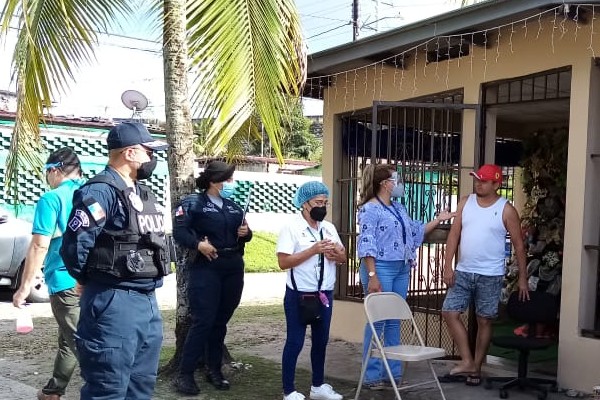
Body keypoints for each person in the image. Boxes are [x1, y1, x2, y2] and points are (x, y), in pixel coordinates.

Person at [60, 122, 171, 399]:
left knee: (141, 386)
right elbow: (74, 245)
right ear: (130, 153)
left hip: (147, 300)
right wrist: (88, 279)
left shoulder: (141, 192)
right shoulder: (100, 192)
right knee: (108, 388)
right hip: (113, 300)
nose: (152, 159)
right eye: (148, 152)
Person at [357, 163, 454, 390]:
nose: (399, 183)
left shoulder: (399, 208)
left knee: (394, 320)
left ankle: (392, 374)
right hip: (380, 267)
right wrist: (372, 275)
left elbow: (415, 231)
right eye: (395, 179)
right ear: (384, 184)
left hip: (401, 268)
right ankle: (371, 376)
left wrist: (439, 219)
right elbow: (366, 243)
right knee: (377, 321)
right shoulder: (369, 209)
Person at [441, 164, 529, 387]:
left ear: (496, 184)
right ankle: (468, 361)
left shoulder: (506, 209)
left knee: (484, 320)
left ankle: (476, 369)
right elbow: (454, 235)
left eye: (483, 180)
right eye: (477, 179)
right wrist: (447, 266)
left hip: (490, 274)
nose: (478, 183)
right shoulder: (465, 202)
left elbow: (519, 246)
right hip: (463, 270)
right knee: (450, 312)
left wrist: (522, 278)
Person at [173, 160, 253, 396]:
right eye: (227, 179)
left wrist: (246, 234)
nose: (231, 183)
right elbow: (180, 231)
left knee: (220, 321)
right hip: (207, 266)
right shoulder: (193, 203)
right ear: (213, 181)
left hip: (233, 266)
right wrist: (198, 244)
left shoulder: (234, 206)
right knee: (204, 321)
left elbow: (246, 236)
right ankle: (185, 374)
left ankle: (214, 369)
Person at [12, 147, 84, 400]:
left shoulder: (52, 199)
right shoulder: (93, 192)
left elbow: (40, 244)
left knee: (82, 344)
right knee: (69, 338)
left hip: (66, 281)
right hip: (95, 280)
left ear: (53, 170)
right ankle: (53, 391)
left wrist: (24, 287)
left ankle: (107, 391)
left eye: (47, 173)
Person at [276, 181, 347, 400]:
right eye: (318, 202)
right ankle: (289, 390)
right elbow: (284, 262)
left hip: (324, 294)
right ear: (305, 203)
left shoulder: (329, 228)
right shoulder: (292, 227)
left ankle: (318, 386)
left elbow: (344, 258)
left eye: (325, 202)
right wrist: (313, 250)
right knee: (295, 342)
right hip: (300, 294)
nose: (322, 206)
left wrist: (335, 254)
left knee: (321, 341)